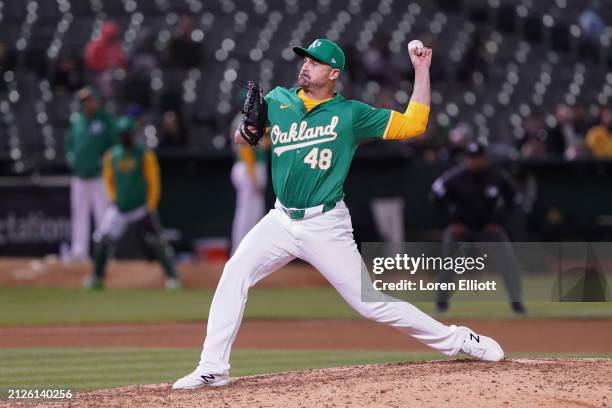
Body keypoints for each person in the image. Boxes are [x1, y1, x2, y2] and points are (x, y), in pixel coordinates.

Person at [173, 38, 504, 390]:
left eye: (314, 62)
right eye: (304, 59)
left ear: (333, 73)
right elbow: (245, 137)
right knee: (234, 273)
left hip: (325, 223)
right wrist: (247, 132)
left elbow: (414, 124)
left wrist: (421, 71)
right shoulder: (279, 101)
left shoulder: (350, 114)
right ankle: (213, 367)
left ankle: (458, 339)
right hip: (281, 219)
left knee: (371, 304)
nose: (305, 65)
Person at [85, 117, 180, 290]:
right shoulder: (111, 155)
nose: (124, 138)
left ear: (133, 135)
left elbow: (153, 181)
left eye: (127, 134)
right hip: (119, 208)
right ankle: (97, 277)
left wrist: (150, 204)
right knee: (102, 239)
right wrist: (114, 199)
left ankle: (172, 277)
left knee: (157, 241)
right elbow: (108, 180)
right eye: (122, 135)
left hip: (141, 207)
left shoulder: (144, 154)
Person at [431, 141, 525, 314]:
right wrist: (451, 221)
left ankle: (517, 306)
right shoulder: (455, 177)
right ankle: (441, 306)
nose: (474, 161)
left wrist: (499, 222)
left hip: (488, 228)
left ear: (484, 158)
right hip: (462, 228)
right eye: (470, 158)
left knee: (509, 264)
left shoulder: (496, 176)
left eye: (478, 157)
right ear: (465, 159)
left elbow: (513, 200)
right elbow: (435, 197)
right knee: (447, 265)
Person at [64, 87, 117, 260]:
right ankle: (79, 252)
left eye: (90, 100)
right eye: (85, 101)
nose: (88, 103)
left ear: (96, 100)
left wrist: (106, 161)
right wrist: (71, 158)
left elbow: (114, 143)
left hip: (99, 177)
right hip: (79, 177)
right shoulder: (76, 121)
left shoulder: (105, 120)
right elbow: (69, 144)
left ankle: (104, 253)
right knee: (79, 215)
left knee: (103, 216)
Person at [230, 111, 269, 254]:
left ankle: (249, 253)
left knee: (255, 214)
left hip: (248, 168)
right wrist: (253, 178)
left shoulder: (241, 119)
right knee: (246, 215)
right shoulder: (246, 120)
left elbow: (262, 143)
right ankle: (238, 252)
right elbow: (245, 150)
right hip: (248, 169)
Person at [85, 21, 127, 98]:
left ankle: (122, 99)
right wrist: (108, 65)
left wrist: (118, 65)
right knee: (107, 78)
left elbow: (122, 61)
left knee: (123, 76)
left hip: (115, 72)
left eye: (114, 35)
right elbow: (91, 63)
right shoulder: (96, 47)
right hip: (99, 73)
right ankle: (108, 99)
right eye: (111, 36)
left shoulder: (117, 46)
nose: (112, 38)